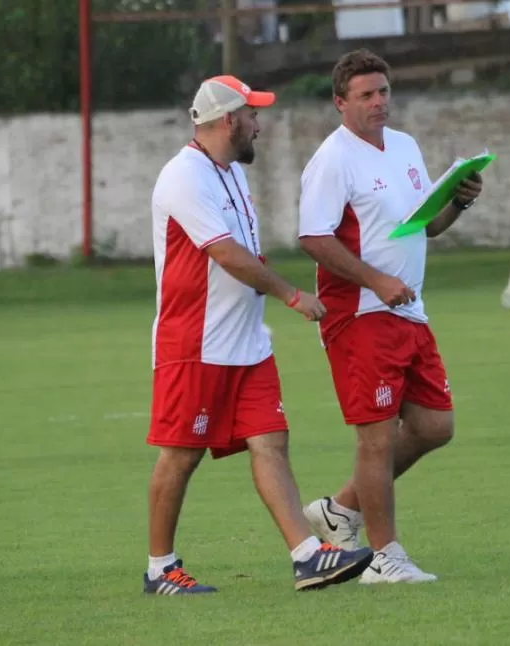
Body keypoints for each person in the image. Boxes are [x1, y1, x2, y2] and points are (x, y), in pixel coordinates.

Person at [144, 75, 374, 596]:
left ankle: (308, 555)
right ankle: (160, 568)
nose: (259, 124)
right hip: (195, 343)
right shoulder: (183, 176)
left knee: (271, 440)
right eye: (253, 115)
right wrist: (292, 295)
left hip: (246, 341)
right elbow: (226, 253)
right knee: (181, 454)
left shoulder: (229, 173)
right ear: (229, 120)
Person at [297, 50, 484, 584]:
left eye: (383, 91)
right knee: (375, 439)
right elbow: (312, 236)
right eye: (366, 95)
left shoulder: (404, 146)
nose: (379, 102)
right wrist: (376, 280)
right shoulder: (332, 160)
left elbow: (424, 226)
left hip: (408, 310)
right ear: (341, 103)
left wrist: (459, 202)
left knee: (434, 425)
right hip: (359, 314)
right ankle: (386, 558)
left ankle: (340, 509)